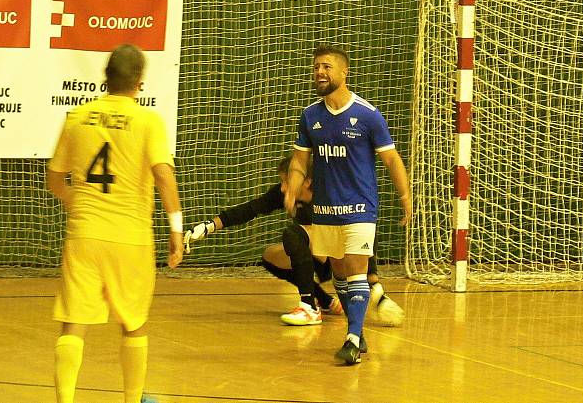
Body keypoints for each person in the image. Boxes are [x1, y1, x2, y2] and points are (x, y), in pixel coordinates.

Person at [46, 44, 184, 403]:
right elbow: (164, 176)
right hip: (131, 237)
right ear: (139, 81)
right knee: (133, 321)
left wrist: (77, 202)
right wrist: (176, 228)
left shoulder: (77, 116)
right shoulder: (147, 120)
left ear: (106, 78)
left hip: (85, 234)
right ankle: (131, 398)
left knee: (74, 322)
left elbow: (55, 177)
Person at [283, 45, 412, 365]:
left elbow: (391, 159)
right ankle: (357, 328)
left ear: (344, 72)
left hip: (360, 206)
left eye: (326, 67)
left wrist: (405, 196)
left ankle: (353, 338)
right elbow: (300, 160)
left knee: (355, 269)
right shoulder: (310, 115)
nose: (319, 72)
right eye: (316, 67)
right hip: (326, 208)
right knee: (339, 273)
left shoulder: (367, 115)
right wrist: (293, 187)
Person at [183, 155, 405, 327]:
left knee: (294, 234)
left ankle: (309, 307)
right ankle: (324, 302)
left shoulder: (331, 195)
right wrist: (209, 226)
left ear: (306, 181)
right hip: (313, 257)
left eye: (286, 181)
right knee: (270, 256)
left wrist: (372, 276)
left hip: (342, 259)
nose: (282, 188)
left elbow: (363, 228)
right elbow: (251, 209)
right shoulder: (285, 195)